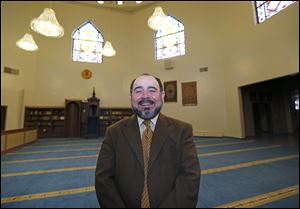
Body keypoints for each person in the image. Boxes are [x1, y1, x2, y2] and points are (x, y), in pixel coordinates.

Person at [95, 73, 200, 208]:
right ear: (131, 97)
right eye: (138, 91)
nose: (145, 96)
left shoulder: (182, 131)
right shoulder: (114, 133)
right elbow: (103, 180)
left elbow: (190, 179)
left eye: (152, 90)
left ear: (162, 96)